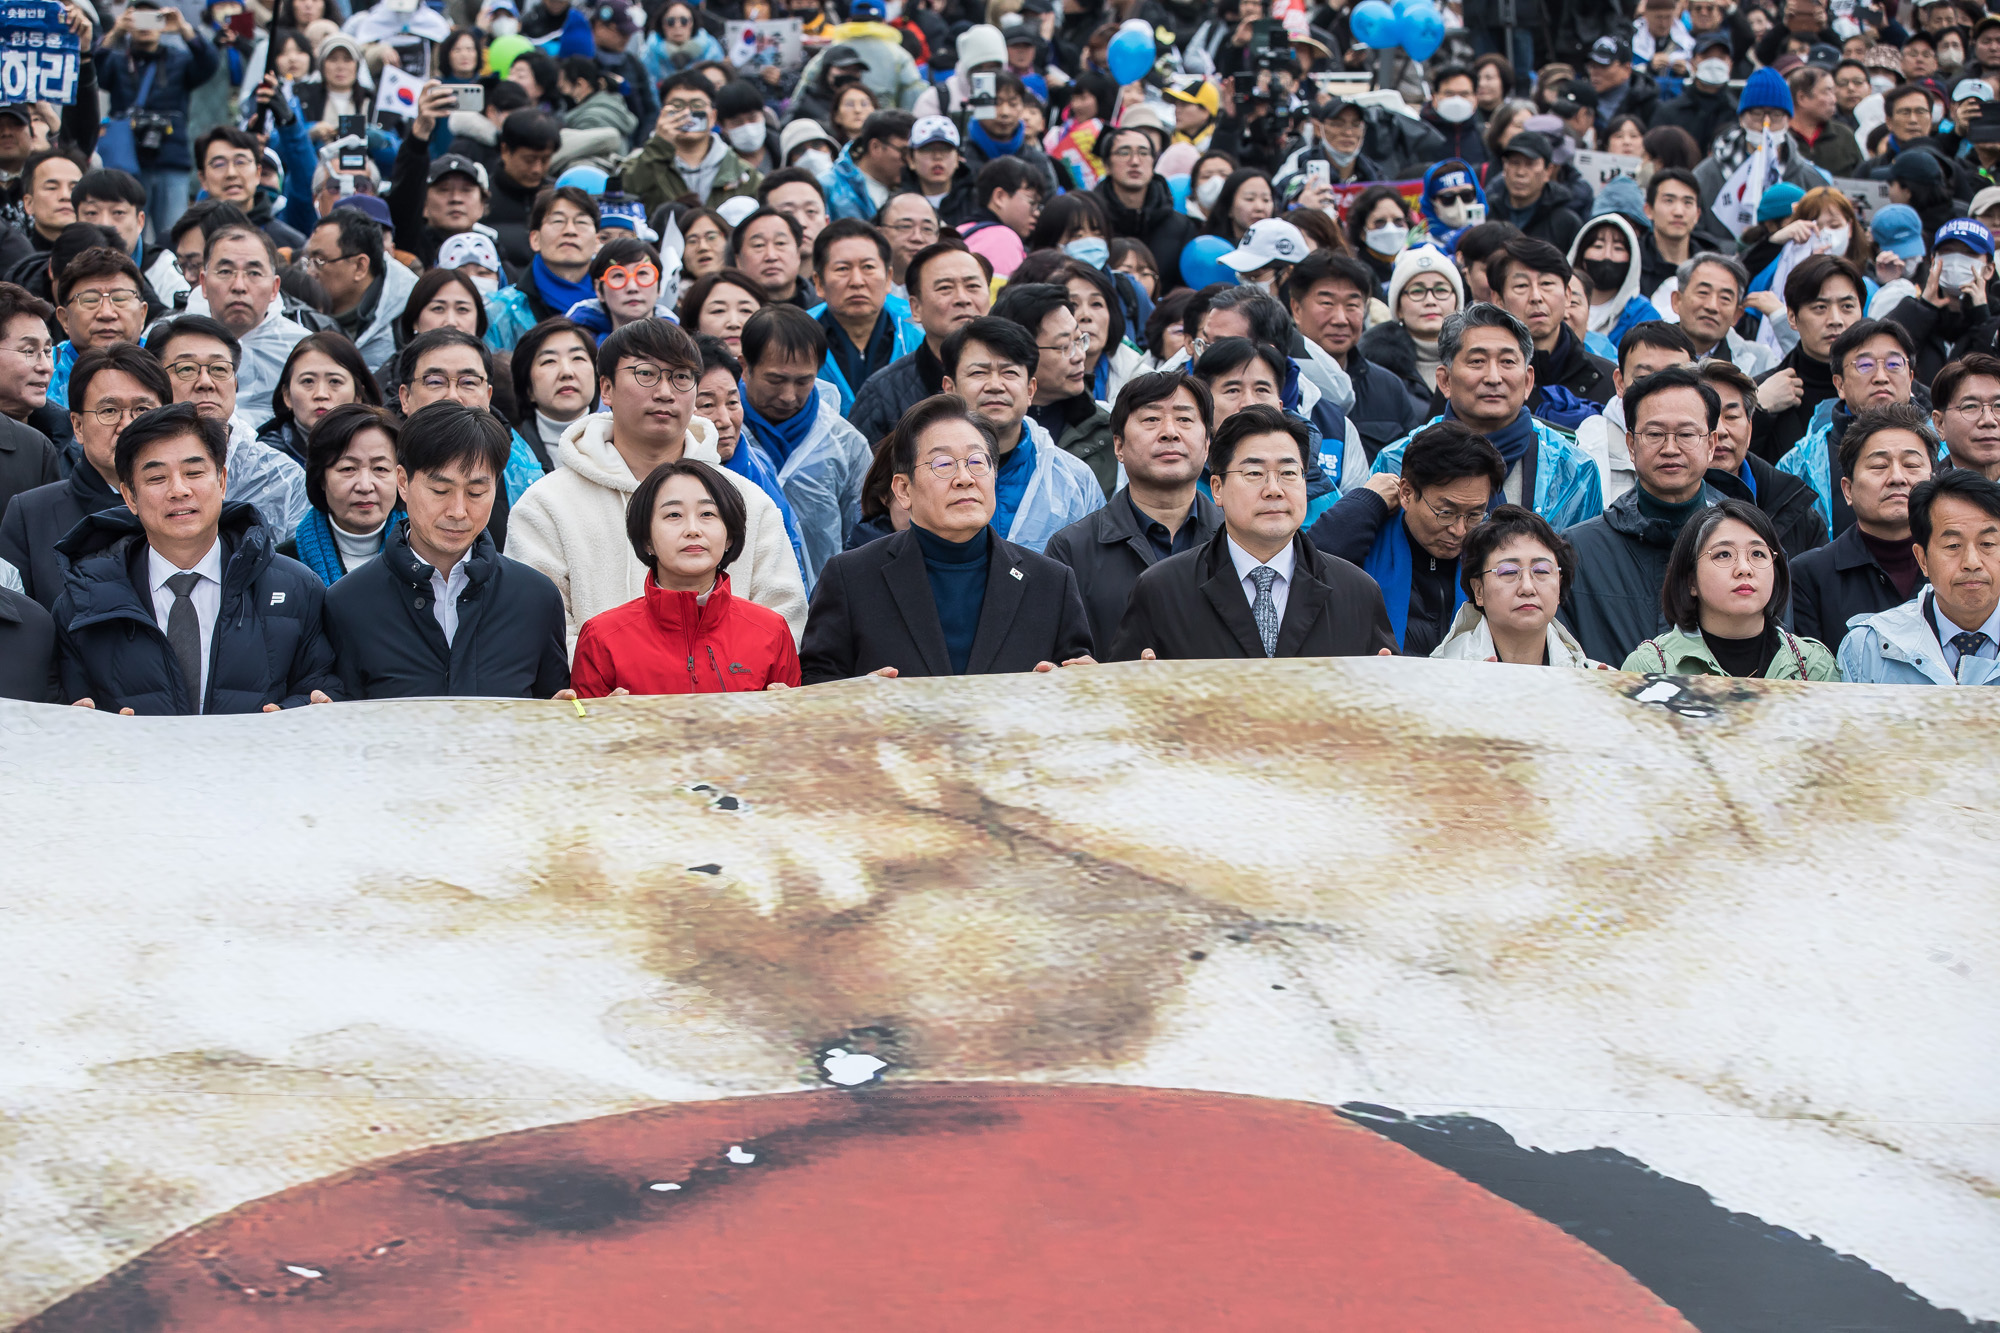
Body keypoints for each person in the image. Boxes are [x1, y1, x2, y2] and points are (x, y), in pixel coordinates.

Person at [508, 317, 807, 647]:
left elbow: (784, 620)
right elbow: (537, 629)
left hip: (730, 695)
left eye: (681, 377)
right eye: (646, 375)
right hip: (598, 696)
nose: (665, 393)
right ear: (606, 388)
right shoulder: (548, 504)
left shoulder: (746, 501)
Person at [52, 402, 337, 714]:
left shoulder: (296, 588)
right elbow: (66, 704)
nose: (179, 490)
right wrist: (86, 722)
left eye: (194, 472)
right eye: (157, 478)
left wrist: (293, 712)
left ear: (222, 481)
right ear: (130, 496)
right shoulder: (83, 601)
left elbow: (321, 683)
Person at [798, 393, 1093, 681]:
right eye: (943, 464)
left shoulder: (1051, 582)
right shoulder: (851, 578)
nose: (964, 478)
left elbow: (1077, 680)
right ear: (903, 490)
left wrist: (1078, 682)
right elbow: (817, 685)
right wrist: (854, 696)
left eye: (977, 462)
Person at [1109, 403, 1395, 661]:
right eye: (1254, 474)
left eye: (1289, 473)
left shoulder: (1357, 590)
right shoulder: (1162, 589)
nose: (1274, 489)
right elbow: (1125, 699)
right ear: (1217, 489)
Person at [324, 401, 567, 700]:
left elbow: (555, 707)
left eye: (476, 492)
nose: (458, 511)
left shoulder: (536, 598)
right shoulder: (348, 602)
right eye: (440, 491)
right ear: (403, 482)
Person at [570, 458, 802, 695]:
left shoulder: (771, 630)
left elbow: (799, 727)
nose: (693, 529)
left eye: (708, 514)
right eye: (673, 515)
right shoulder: (602, 637)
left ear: (729, 536)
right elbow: (581, 727)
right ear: (647, 539)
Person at [1372, 304, 1603, 531]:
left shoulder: (1573, 469)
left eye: (1507, 362)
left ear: (1528, 381)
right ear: (1445, 381)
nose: (1493, 377)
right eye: (1477, 362)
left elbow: (1585, 562)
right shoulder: (1396, 462)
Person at [1044, 372, 1223, 657]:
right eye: (1151, 419)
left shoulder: (1239, 539)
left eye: (1185, 419)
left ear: (1207, 446)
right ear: (1118, 446)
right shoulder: (1071, 549)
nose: (1169, 431)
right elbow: (1059, 653)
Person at [1562, 365, 1730, 665]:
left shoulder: (1745, 549)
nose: (1670, 448)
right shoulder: (1579, 552)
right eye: (1654, 434)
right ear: (1631, 444)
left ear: (1711, 444)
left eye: (1686, 434)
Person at [1310, 418, 1505, 656]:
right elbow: (1310, 564)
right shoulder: (1368, 542)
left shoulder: (1490, 551)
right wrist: (1367, 500)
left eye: (1474, 515)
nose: (1459, 531)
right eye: (1446, 513)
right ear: (1406, 493)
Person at [0, 344, 166, 609]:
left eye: (142, 411)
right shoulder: (30, 515)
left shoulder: (188, 505)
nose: (126, 426)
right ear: (77, 426)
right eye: (109, 411)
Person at [1621, 498, 1840, 678]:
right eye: (1723, 554)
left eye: (1758, 554)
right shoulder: (1651, 667)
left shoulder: (1812, 666)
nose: (1744, 569)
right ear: (1691, 581)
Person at [735, 304, 871, 588]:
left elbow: (864, 536)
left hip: (825, 604)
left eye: (803, 381)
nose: (788, 396)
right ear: (745, 367)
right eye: (775, 380)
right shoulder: (719, 433)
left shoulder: (846, 444)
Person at [151, 313, 310, 540]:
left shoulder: (280, 477)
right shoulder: (133, 465)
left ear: (235, 382)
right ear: (156, 381)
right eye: (186, 369)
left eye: (219, 369)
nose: (205, 382)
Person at [1790, 402, 1937, 644]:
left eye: (1911, 465)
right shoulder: (1809, 575)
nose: (1897, 478)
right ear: (1848, 490)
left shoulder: (1961, 564)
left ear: (1933, 481)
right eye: (1879, 466)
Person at [1837, 467, 2000, 685]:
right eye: (1953, 545)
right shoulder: (1868, 648)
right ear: (1922, 559)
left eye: (1987, 544)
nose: (1972, 563)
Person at [1775, 317, 1918, 538]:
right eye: (1865, 365)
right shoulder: (1800, 463)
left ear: (1910, 377)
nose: (1881, 377)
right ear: (1839, 384)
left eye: (1893, 364)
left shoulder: (1945, 446)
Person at [1286, 250, 1429, 460]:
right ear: (1296, 308)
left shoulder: (1388, 387)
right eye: (1327, 303)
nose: (1341, 319)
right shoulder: (1282, 384)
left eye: (1352, 305)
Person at [96, 0, 221, 234]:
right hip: (127, 158)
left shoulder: (178, 59)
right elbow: (92, 69)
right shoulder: (117, 60)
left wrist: (184, 29)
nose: (145, 26)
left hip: (170, 157)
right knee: (126, 231)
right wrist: (115, 32)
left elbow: (209, 64)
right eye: (137, 19)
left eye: (151, 20)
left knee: (173, 231)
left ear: (162, 24)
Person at [848, 241, 990, 446]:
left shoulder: (1016, 376)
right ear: (915, 307)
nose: (962, 299)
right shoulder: (881, 392)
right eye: (945, 288)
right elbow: (864, 474)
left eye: (973, 286)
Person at [1430, 504, 1599, 667]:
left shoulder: (1594, 680)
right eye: (1509, 572)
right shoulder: (1441, 675)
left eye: (1541, 571)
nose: (1527, 588)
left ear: (1560, 584)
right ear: (1479, 591)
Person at [991, 283, 1116, 502]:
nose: (1079, 357)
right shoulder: (985, 428)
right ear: (1019, 352)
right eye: (1064, 346)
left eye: (1079, 341)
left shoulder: (1107, 427)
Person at [1698, 358, 1828, 559]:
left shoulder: (1795, 508)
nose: (1721, 431)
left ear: (1750, 428)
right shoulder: (1662, 509)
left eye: (1732, 416)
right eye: (1707, 418)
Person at [194, 223, 309, 430]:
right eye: (225, 271)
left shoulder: (302, 349)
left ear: (275, 288)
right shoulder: (171, 340)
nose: (239, 286)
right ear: (203, 283)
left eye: (254, 273)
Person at [1751, 253, 1863, 465]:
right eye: (1820, 308)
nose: (1836, 320)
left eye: (1847, 307)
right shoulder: (1763, 391)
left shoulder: (1886, 386)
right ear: (1792, 317)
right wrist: (1758, 410)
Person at [1487, 236, 1615, 414]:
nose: (1536, 297)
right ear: (1498, 300)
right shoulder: (1483, 380)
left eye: (1546, 283)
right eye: (1521, 285)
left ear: (1567, 295)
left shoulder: (1609, 379)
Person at [1575, 321, 1696, 505]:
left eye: (1674, 379)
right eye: (1643, 378)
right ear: (1620, 383)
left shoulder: (1709, 441)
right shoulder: (1590, 445)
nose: (1659, 391)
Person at [808, 219, 921, 413]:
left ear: (888, 278)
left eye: (868, 267)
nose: (857, 281)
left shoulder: (918, 330)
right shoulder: (799, 336)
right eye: (842, 269)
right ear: (818, 283)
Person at [284, 403, 404, 585]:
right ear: (321, 478)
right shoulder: (284, 564)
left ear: (400, 477)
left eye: (380, 468)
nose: (365, 486)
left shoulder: (428, 558)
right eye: (348, 468)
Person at [482, 186, 602, 352]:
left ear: (597, 241)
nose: (570, 231)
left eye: (581, 222)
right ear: (535, 239)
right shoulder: (501, 312)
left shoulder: (618, 305)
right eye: (558, 221)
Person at [627, 71, 765, 214]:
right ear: (662, 113)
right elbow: (625, 192)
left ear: (713, 116)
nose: (687, 114)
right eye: (677, 105)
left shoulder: (743, 173)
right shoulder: (640, 161)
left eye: (697, 105)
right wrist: (660, 145)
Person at [1354, 246, 1463, 424]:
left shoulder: (1477, 362)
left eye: (1441, 290)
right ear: (1398, 307)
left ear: (1457, 301)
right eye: (1417, 292)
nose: (1430, 301)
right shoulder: (1371, 368)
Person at [302, 210, 416, 372]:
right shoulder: (296, 312)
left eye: (320, 260)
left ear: (360, 267)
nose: (309, 272)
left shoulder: (408, 321)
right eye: (308, 260)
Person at [1093, 125, 1201, 293]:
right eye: (1124, 152)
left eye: (1143, 153)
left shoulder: (1180, 226)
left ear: (1153, 161)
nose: (1135, 161)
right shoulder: (1093, 221)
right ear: (1107, 164)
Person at [258, 330, 381, 466]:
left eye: (335, 381)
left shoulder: (388, 451)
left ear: (358, 395)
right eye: (308, 381)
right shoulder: (265, 460)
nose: (321, 394)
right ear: (287, 396)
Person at [48, 247, 148, 412]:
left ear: (143, 314)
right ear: (64, 318)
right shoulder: (44, 371)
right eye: (90, 300)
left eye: (120, 298)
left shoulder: (167, 362)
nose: (106, 314)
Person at [1568, 213, 1662, 356]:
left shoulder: (1644, 315)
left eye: (1618, 248)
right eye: (1598, 246)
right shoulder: (1557, 305)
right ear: (1581, 255)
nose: (1607, 255)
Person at [1669, 253, 1776, 377]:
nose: (1712, 306)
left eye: (1725, 298)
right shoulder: (1649, 351)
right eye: (1703, 292)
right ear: (1677, 301)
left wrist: (1779, 316)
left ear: (1737, 315)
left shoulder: (1760, 360)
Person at [1489, 132, 1581, 253]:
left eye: (1530, 164)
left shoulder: (1566, 223)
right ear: (1504, 166)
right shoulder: (1488, 211)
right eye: (1514, 163)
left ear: (1548, 171)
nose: (1520, 173)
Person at [821, 110, 917, 224]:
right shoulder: (827, 187)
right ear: (875, 147)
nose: (911, 161)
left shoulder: (915, 188)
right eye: (904, 152)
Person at [1654, 30, 1741, 152]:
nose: (1714, 63)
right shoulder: (1669, 112)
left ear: (1730, 64)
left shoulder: (1738, 115)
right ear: (1693, 62)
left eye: (1721, 58)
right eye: (1707, 57)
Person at [1636, 169, 1703, 305]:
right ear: (1648, 210)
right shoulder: (1633, 262)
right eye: (1669, 201)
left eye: (1687, 203)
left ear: (1697, 214)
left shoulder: (1710, 265)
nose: (1678, 212)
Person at [1932, 351, 2000, 479]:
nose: (1988, 420)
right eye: (1970, 406)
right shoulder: (1923, 496)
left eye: (1998, 406)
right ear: (1940, 424)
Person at [733, 208, 815, 310]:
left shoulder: (826, 309)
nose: (771, 256)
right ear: (738, 260)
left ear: (798, 254)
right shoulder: (733, 320)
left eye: (780, 243)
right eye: (759, 245)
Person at [1787, 65, 1862, 175]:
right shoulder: (1782, 137)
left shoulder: (1844, 135)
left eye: (1834, 93)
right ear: (1802, 98)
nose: (1834, 100)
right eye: (1827, 92)